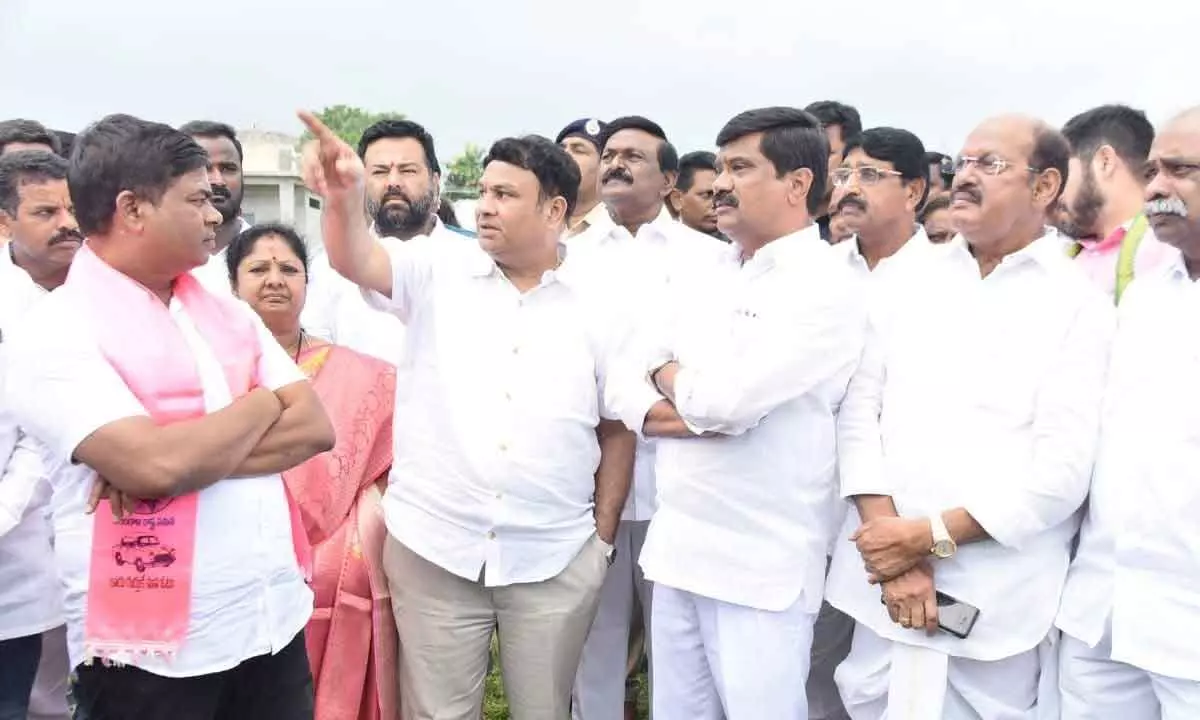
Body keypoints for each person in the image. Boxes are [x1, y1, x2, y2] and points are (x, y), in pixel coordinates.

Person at [300, 110, 637, 720]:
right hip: (434, 546)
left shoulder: (604, 304)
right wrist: (343, 197)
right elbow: (356, 259)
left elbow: (617, 427)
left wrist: (602, 541)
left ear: (555, 211)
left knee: (544, 711)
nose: (484, 206)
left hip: (554, 554)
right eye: (482, 190)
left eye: (505, 195)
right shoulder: (436, 271)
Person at [3, 114, 335, 720]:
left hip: (269, 619)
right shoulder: (53, 332)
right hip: (149, 655)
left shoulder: (224, 312)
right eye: (197, 199)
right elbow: (155, 465)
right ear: (133, 211)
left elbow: (314, 427)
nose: (216, 214)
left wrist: (181, 461)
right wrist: (263, 404)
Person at [827, 115, 1113, 719]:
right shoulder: (907, 280)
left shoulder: (1079, 303)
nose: (964, 178)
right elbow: (857, 414)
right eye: (962, 164)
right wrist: (893, 548)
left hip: (995, 599)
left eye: (991, 164)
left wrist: (926, 537)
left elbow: (1061, 474)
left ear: (1044, 187)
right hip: (883, 585)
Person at [632, 106, 866, 719]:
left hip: (760, 565)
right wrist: (683, 389)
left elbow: (726, 402)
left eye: (740, 167)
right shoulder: (708, 271)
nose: (719, 184)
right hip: (679, 547)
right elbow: (625, 385)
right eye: (718, 166)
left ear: (798, 184)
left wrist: (668, 376)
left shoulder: (827, 285)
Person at [568, 116, 728, 720]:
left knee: (679, 649)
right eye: (609, 153)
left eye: (633, 155)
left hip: (681, 481)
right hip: (590, 481)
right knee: (596, 641)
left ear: (668, 180)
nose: (615, 163)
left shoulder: (712, 259)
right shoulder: (568, 256)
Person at [1056, 106, 1200, 718]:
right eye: (1154, 170)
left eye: (1182, 170)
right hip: (1104, 607)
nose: (1158, 187)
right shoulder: (1146, 296)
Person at [226, 223, 398, 720]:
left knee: (339, 570)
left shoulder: (363, 373)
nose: (275, 279)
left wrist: (351, 532)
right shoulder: (209, 365)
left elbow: (380, 468)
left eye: (289, 269)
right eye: (258, 268)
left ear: (307, 282)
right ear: (234, 285)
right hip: (237, 531)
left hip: (334, 534)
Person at [0, 151, 78, 720]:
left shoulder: (100, 295)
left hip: (32, 557)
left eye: (72, 208)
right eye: (45, 211)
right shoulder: (18, 303)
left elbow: (39, 434)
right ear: (5, 222)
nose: (66, 223)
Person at [301, 117, 470, 365]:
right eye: (379, 172)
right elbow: (316, 359)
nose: (393, 182)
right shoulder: (327, 268)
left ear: (436, 182)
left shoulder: (474, 260)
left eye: (408, 170)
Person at [1058, 104, 1174, 303]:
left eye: (1063, 172)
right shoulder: (1061, 257)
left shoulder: (1170, 246)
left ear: (1105, 162)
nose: (1055, 192)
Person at [178, 121, 252, 294]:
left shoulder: (272, 255)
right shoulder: (154, 261)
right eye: (204, 168)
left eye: (228, 169)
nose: (217, 180)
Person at [806, 100, 863, 241]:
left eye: (826, 154)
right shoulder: (774, 222)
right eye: (804, 153)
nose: (812, 163)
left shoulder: (862, 230)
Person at [557, 118, 613, 238]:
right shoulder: (537, 221)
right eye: (560, 150)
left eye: (578, 150)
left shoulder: (621, 229)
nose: (565, 155)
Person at [667, 150, 723, 239]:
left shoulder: (744, 247)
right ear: (677, 199)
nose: (718, 204)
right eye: (707, 195)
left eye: (722, 194)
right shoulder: (654, 248)